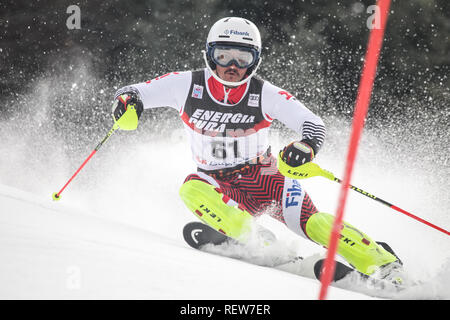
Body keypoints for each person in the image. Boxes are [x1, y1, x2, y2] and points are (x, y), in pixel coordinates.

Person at [112, 17, 403, 283]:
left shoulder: (264, 93)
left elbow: (312, 123)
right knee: (191, 188)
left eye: (243, 57)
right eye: (223, 55)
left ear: (256, 61)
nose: (232, 66)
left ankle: (384, 263)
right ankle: (261, 243)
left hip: (266, 177)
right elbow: (134, 91)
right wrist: (127, 102)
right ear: (209, 54)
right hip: (218, 183)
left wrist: (306, 146)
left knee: (314, 224)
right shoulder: (186, 84)